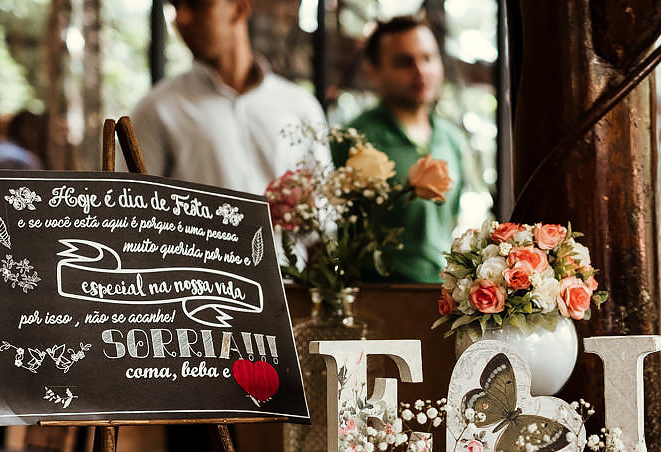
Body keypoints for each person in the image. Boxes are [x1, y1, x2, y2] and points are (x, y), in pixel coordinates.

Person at [128, 0, 327, 195]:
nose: (181, 18)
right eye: (175, 6)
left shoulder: (302, 106)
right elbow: (133, 212)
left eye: (197, 5)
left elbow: (326, 212)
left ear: (239, 9)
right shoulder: (155, 109)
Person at [344, 16, 466, 283]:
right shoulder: (355, 139)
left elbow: (452, 220)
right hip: (376, 294)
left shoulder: (452, 138)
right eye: (404, 62)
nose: (420, 71)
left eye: (428, 58)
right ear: (373, 72)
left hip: (441, 293)